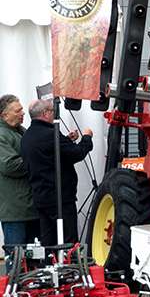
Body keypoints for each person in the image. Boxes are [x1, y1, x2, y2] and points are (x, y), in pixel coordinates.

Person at [20, 99, 93, 245]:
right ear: (45, 113)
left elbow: (50, 156)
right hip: (60, 198)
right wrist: (87, 137)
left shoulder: (27, 136)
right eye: (52, 111)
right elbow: (77, 153)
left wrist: (66, 140)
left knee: (48, 240)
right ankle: (68, 267)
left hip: (40, 197)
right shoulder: (51, 134)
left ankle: (49, 266)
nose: (54, 114)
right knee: (68, 240)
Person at [0, 95, 40, 267]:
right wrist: (37, 160)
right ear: (4, 115)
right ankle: (13, 293)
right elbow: (9, 166)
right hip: (15, 212)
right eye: (18, 111)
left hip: (30, 208)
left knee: (35, 258)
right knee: (16, 261)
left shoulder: (20, 131)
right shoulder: (2, 135)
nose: (23, 113)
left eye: (22, 109)